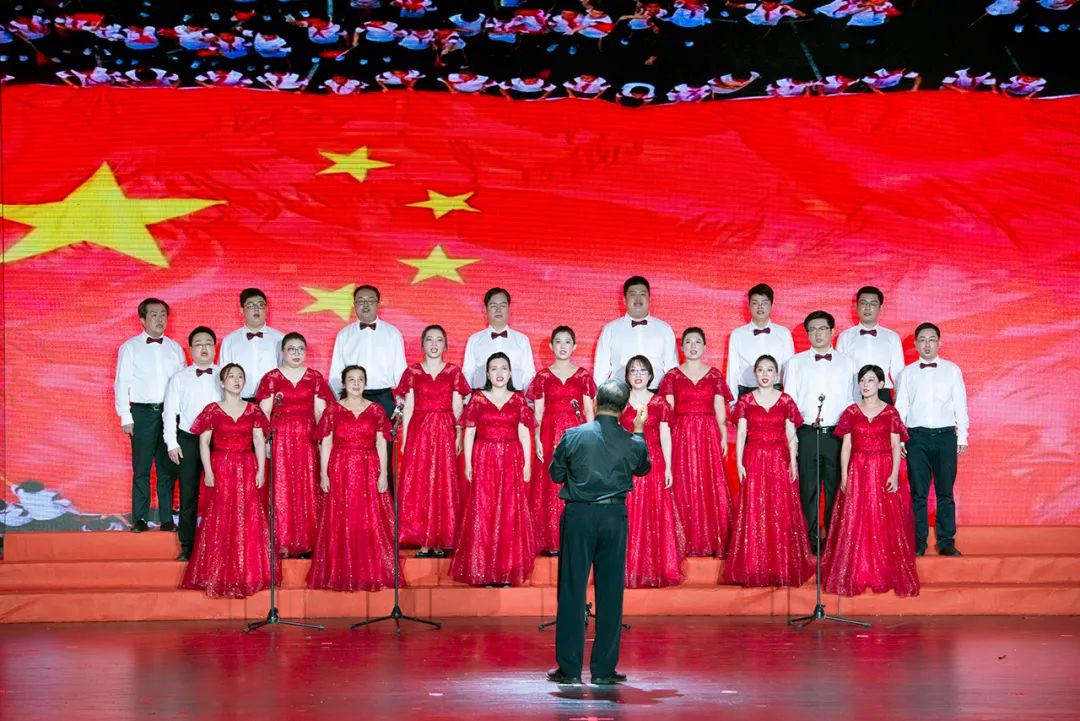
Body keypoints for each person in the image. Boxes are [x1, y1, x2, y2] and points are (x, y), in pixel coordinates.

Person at [547, 380, 650, 686]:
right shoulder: (632, 440)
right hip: (614, 517)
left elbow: (555, 474)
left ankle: (569, 670)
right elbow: (642, 468)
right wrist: (639, 429)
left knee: (572, 590)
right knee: (610, 592)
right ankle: (603, 671)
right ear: (625, 408)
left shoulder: (573, 435)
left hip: (579, 515)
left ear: (595, 401)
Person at [181, 364, 277, 598]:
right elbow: (204, 442)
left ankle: (247, 573)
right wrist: (208, 471)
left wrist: (261, 470)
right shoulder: (212, 410)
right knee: (221, 516)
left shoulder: (253, 410)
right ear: (222, 383)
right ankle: (217, 573)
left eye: (240, 376)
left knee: (248, 515)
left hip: (247, 466)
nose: (236, 380)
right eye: (231, 376)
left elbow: (258, 439)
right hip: (221, 466)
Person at [823, 365, 919, 595]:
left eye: (871, 380)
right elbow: (846, 446)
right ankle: (858, 571)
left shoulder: (890, 413)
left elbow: (895, 445)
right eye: (862, 380)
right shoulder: (851, 412)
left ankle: (882, 571)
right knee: (857, 519)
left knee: (883, 519)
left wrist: (894, 474)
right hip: (858, 469)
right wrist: (845, 475)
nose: (866, 385)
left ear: (881, 384)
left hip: (883, 468)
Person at [724, 355, 814, 587]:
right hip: (754, 458)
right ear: (755, 374)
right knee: (755, 509)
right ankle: (754, 566)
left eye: (770, 370)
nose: (765, 374)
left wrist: (793, 462)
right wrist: (739, 463)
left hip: (778, 459)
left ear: (776, 374)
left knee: (779, 509)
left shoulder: (785, 400)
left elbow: (791, 433)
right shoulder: (746, 401)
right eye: (761, 370)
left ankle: (780, 565)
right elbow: (741, 433)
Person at [450, 353, 539, 586]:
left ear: (510, 373)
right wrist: (468, 464)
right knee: (484, 511)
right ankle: (483, 570)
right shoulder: (478, 399)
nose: (499, 373)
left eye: (504, 368)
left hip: (511, 459)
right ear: (487, 374)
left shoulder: (518, 400)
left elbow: (524, 433)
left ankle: (507, 570)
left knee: (510, 512)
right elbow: (470, 432)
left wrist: (527, 464)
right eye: (494, 369)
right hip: (484, 459)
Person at [308, 365, 399, 591]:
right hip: (340, 468)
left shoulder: (376, 410)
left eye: (360, 379)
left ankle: (369, 571)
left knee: (368, 518)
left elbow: (381, 443)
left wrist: (383, 474)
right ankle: (340, 571)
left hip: (369, 468)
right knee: (341, 517)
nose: (356, 384)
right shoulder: (333, 410)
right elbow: (326, 443)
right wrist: (324, 473)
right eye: (351, 379)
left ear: (365, 384)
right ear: (344, 383)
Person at [783, 311, 858, 552]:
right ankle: (811, 540)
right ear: (807, 334)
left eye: (823, 328)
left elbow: (853, 401)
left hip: (837, 435)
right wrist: (792, 439)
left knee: (836, 488)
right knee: (808, 489)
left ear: (832, 331)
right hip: (807, 433)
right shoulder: (795, 363)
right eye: (813, 329)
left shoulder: (848, 363)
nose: (818, 333)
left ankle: (834, 540)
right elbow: (789, 403)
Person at [255, 332, 335, 557]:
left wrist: (321, 440)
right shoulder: (271, 378)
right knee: (281, 487)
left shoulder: (314, 377)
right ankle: (282, 540)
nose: (296, 353)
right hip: (280, 438)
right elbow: (264, 413)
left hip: (307, 438)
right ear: (283, 352)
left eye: (300, 349)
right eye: (291, 349)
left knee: (307, 486)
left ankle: (307, 541)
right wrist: (266, 442)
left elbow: (320, 413)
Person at [395, 325, 470, 558]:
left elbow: (458, 406)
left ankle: (441, 539)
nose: (434, 344)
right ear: (422, 344)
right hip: (420, 431)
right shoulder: (412, 372)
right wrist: (405, 438)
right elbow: (408, 406)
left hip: (445, 430)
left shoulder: (453, 372)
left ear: (445, 345)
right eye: (429, 339)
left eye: (439, 340)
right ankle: (423, 540)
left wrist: (458, 433)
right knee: (420, 482)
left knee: (443, 482)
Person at [895, 323, 969, 557]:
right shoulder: (907, 373)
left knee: (945, 492)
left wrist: (963, 435)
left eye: (932, 340)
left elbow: (960, 403)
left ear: (939, 342)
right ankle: (918, 542)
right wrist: (901, 439)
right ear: (916, 344)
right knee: (918, 493)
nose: (927, 344)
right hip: (916, 438)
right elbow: (901, 407)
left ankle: (946, 541)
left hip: (946, 436)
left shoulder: (952, 370)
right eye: (922, 340)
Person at [659, 327, 734, 557]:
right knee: (682, 482)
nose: (693, 346)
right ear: (681, 348)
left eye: (697, 342)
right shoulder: (672, 376)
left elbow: (720, 410)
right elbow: (668, 412)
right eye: (688, 342)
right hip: (681, 433)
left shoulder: (714, 375)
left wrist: (723, 436)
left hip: (708, 434)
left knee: (709, 482)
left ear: (705, 346)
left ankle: (712, 539)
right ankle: (682, 541)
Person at [114, 298, 186, 533]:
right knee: (142, 468)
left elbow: (182, 384)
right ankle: (140, 518)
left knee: (167, 469)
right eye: (154, 314)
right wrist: (125, 416)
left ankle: (166, 519)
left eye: (163, 314)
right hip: (142, 413)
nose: (160, 319)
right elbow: (122, 383)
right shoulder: (130, 347)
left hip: (169, 414)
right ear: (142, 320)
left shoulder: (175, 348)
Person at [525, 326, 597, 554]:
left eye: (567, 342)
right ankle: (552, 539)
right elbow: (538, 412)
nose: (563, 346)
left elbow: (589, 410)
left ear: (574, 346)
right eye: (558, 341)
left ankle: (576, 538)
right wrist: (537, 438)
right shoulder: (543, 377)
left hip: (576, 434)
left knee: (577, 482)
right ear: (551, 346)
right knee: (550, 484)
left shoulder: (583, 376)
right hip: (549, 434)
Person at [620, 355, 684, 588]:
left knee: (655, 512)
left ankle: (655, 570)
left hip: (654, 461)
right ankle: (629, 569)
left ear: (650, 376)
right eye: (633, 371)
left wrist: (668, 466)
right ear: (627, 377)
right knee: (629, 513)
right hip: (627, 463)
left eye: (642, 371)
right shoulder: (620, 402)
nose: (638, 375)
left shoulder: (660, 403)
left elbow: (666, 436)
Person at [162, 326, 221, 560]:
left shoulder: (225, 374)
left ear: (215, 348)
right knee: (188, 493)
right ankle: (187, 545)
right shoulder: (180, 378)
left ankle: (221, 544)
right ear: (190, 349)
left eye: (208, 343)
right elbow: (169, 412)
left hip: (220, 440)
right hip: (188, 438)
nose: (204, 348)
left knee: (222, 492)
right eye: (199, 344)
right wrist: (171, 443)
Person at [328, 284, 408, 420]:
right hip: (351, 398)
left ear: (378, 304)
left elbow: (401, 374)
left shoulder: (392, 333)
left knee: (385, 434)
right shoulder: (344, 334)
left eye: (370, 300)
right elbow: (335, 375)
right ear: (354, 304)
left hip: (383, 398)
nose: (365, 305)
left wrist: (400, 406)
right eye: (360, 301)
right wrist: (340, 402)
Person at [593, 276, 679, 390]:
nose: (638, 298)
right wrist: (604, 396)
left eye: (642, 294)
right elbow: (601, 369)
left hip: (656, 393)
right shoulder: (611, 329)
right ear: (624, 300)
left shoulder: (664, 329)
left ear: (649, 299)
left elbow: (672, 368)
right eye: (633, 294)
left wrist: (670, 395)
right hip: (621, 393)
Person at [726, 283, 795, 399]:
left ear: (772, 306)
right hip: (746, 394)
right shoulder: (737, 334)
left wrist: (788, 400)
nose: (760, 307)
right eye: (755, 303)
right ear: (749, 306)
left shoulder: (784, 333)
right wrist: (732, 402)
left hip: (775, 393)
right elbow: (732, 371)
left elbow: (789, 370)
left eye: (764, 303)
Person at [836, 286, 904, 403]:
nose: (867, 308)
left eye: (873, 303)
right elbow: (840, 371)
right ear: (856, 306)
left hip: (883, 393)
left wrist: (901, 397)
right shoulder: (845, 337)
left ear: (881, 307)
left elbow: (898, 372)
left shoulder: (892, 337)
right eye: (863, 303)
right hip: (854, 394)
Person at [461, 288, 537, 391]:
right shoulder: (474, 340)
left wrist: (528, 399)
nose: (498, 310)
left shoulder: (522, 340)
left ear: (509, 308)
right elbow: (467, 373)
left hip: (515, 397)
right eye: (493, 306)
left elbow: (528, 374)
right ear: (485, 309)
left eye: (503, 306)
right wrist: (468, 399)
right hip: (481, 397)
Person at [219, 288, 284, 401]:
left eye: (260, 305)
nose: (256, 309)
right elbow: (223, 374)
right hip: (239, 401)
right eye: (250, 306)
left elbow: (285, 370)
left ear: (266, 309)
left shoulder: (280, 338)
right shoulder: (230, 340)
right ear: (241, 310)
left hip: (272, 401)